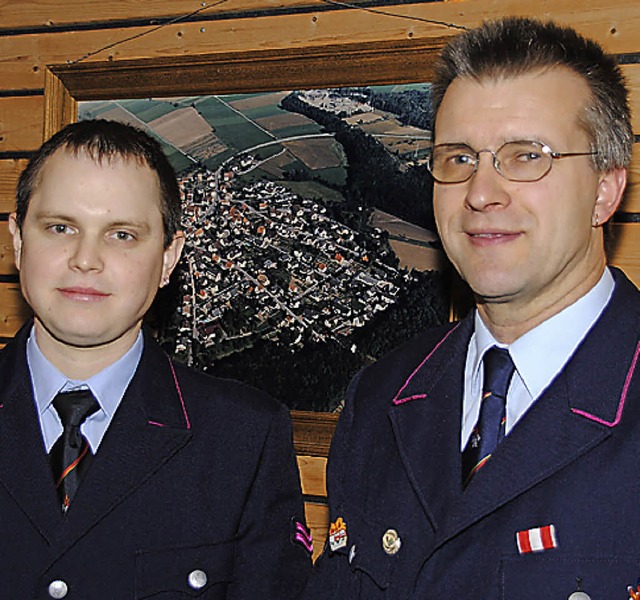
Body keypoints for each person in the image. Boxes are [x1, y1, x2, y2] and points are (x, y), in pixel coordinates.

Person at [304, 17, 638, 599]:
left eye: (526, 156)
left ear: (606, 189)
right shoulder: (381, 395)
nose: (482, 192)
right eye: (458, 159)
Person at [1, 119, 311, 598]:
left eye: (122, 234)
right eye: (61, 227)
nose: (86, 259)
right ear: (18, 240)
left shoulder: (244, 439)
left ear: (168, 257)